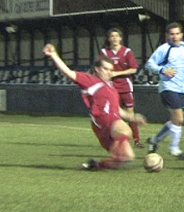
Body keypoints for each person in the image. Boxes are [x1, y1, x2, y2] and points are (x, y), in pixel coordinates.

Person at [43, 43, 146, 171]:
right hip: (103, 122)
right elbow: (68, 72)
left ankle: (96, 165)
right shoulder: (90, 81)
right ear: (97, 69)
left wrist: (133, 117)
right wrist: (54, 55)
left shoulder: (112, 88)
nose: (109, 72)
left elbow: (118, 110)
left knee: (126, 158)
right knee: (126, 131)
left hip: (111, 124)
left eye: (110, 69)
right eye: (106, 69)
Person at [145, 22, 184, 160]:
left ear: (182, 35)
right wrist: (162, 70)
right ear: (167, 36)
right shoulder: (163, 49)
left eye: (177, 34)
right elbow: (149, 64)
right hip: (168, 87)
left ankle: (155, 140)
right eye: (172, 34)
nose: (175, 37)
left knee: (175, 120)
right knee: (179, 118)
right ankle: (174, 148)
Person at [99, 28, 144, 148]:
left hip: (125, 87)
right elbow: (99, 68)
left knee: (130, 114)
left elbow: (134, 69)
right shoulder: (104, 52)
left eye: (116, 36)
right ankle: (117, 140)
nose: (114, 38)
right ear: (109, 39)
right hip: (111, 88)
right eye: (112, 36)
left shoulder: (126, 52)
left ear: (120, 38)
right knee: (114, 115)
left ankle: (137, 140)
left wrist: (116, 74)